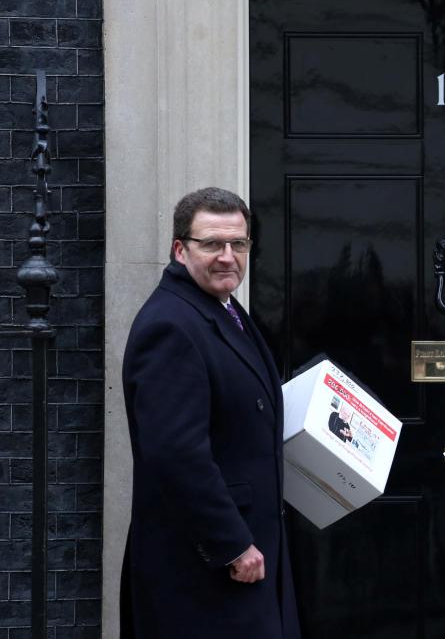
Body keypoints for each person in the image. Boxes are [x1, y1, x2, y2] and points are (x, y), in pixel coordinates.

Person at [120, 187, 300, 639]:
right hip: (208, 566)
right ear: (180, 249)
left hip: (246, 555)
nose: (227, 256)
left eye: (238, 244)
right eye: (212, 244)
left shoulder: (220, 308)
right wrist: (231, 544)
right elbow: (176, 453)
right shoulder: (171, 326)